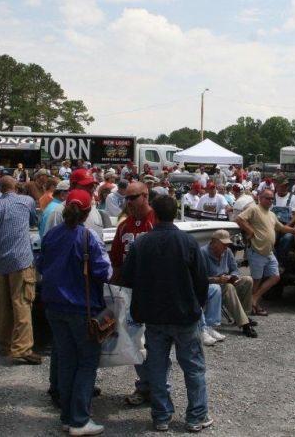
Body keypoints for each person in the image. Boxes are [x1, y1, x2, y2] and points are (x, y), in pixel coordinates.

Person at [122, 194, 213, 433]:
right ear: (174, 213)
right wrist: (197, 307)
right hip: (184, 315)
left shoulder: (141, 243)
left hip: (154, 317)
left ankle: (161, 416)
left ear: (155, 212)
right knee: (193, 367)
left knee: (157, 367)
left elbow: (127, 278)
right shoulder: (189, 242)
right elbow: (201, 281)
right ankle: (196, 417)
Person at [38, 189, 111, 436]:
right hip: (81, 308)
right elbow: (103, 272)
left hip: (53, 306)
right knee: (87, 362)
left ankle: (68, 417)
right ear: (89, 211)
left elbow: (41, 265)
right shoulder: (87, 238)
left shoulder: (50, 236)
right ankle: (79, 420)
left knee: (67, 361)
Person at [110, 182, 160, 406]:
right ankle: (145, 385)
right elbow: (117, 262)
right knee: (134, 341)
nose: (128, 203)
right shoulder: (124, 226)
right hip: (130, 293)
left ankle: (158, 387)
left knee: (156, 343)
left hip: (154, 293)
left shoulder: (157, 221)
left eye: (133, 198)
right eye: (126, 199)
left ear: (145, 196)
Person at [0, 176, 42, 365]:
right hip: (22, 259)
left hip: (2, 260)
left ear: (0, 189)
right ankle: (23, 348)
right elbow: (34, 221)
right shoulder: (26, 201)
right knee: (22, 302)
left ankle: (6, 343)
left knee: (3, 304)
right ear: (15, 186)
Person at [236, 189, 295, 317]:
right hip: (256, 250)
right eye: (267, 198)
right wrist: (250, 231)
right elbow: (239, 219)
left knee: (275, 276)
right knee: (256, 280)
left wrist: (294, 231)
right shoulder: (254, 209)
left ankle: (253, 300)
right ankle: (250, 307)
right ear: (260, 198)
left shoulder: (271, 214)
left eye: (272, 198)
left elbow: (281, 227)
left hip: (268, 252)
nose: (270, 201)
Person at [201, 229, 257, 338]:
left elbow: (235, 269)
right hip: (212, 286)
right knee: (228, 287)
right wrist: (217, 279)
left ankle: (243, 315)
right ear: (213, 242)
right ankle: (244, 324)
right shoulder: (203, 253)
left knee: (248, 280)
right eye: (223, 244)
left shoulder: (227, 251)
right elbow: (200, 278)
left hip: (225, 281)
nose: (226, 247)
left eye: (227, 244)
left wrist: (233, 276)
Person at [270, 175, 295, 261]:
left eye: (286, 185)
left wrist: (286, 226)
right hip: (273, 226)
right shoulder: (271, 197)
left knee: (287, 238)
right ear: (276, 185)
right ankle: (273, 261)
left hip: (288, 226)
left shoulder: (294, 198)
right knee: (269, 238)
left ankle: (280, 261)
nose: (285, 187)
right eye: (282, 185)